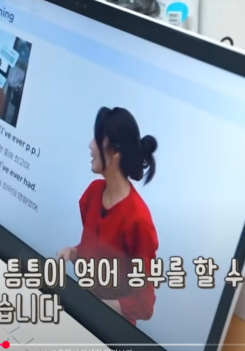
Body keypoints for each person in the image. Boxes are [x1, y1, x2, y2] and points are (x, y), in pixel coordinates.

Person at [57, 106, 159, 325]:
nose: (90, 145)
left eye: (97, 139)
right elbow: (97, 254)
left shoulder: (138, 221)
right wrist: (73, 253)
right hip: (80, 316)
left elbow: (144, 304)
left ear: (115, 152)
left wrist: (97, 306)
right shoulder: (92, 194)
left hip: (110, 330)